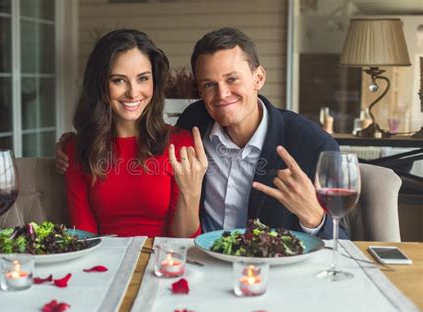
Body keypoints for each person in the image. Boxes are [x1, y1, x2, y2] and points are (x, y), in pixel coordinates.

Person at [57, 27, 348, 239]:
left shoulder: (311, 145)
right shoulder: (194, 124)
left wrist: (314, 217)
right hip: (198, 262)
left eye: (232, 79)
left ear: (258, 77)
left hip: (268, 268)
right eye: (209, 84)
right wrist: (71, 143)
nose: (222, 94)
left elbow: (344, 243)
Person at [63, 29, 207, 238]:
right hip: (105, 264)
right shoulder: (76, 149)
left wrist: (191, 193)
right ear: (101, 85)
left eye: (143, 78)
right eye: (119, 80)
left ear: (154, 82)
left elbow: (184, 241)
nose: (133, 92)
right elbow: (85, 237)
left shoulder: (180, 143)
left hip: (165, 263)